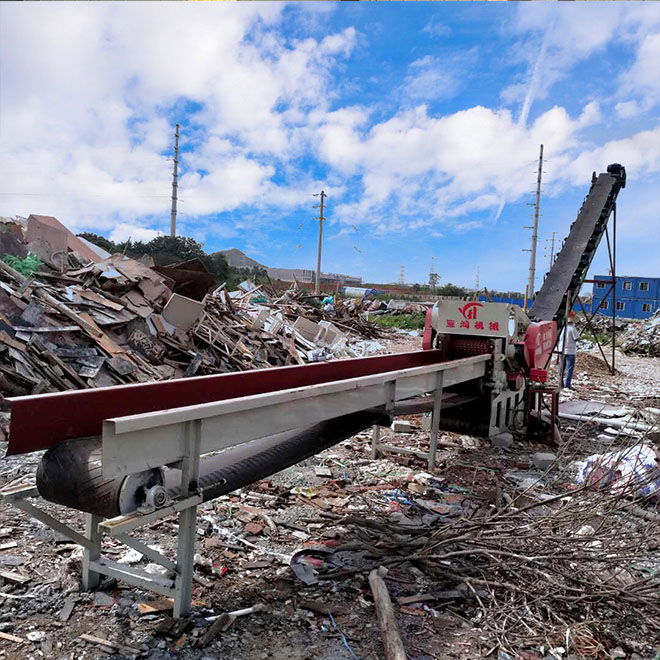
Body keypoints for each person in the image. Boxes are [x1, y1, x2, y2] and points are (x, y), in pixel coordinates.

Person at [561, 312, 580, 389]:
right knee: (569, 369)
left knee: (561, 369)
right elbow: (576, 338)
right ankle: (567, 385)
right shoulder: (572, 329)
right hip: (570, 351)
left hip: (562, 350)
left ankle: (561, 384)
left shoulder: (563, 328)